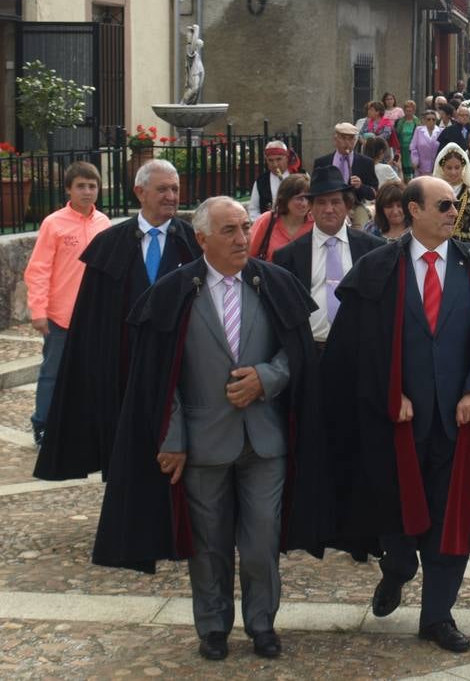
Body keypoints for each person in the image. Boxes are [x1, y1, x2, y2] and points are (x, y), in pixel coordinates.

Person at [91, 196, 330, 662]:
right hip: (202, 444)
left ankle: (262, 624)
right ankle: (214, 626)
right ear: (201, 238)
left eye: (244, 228)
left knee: (262, 541)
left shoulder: (274, 283)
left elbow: (298, 352)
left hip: (265, 441)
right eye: (229, 231)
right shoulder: (176, 291)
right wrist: (174, 437)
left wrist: (268, 378)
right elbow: (162, 376)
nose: (242, 239)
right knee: (209, 544)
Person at [321, 177, 470, 653]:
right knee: (399, 517)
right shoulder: (378, 268)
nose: (453, 211)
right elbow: (357, 350)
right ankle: (397, 569)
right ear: (412, 210)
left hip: (458, 424)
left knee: (451, 519)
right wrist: (389, 392)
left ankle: (437, 616)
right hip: (396, 423)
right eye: (443, 204)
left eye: (457, 203)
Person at [34, 161, 201, 481]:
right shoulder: (109, 244)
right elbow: (91, 319)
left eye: (175, 189)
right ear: (140, 192)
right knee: (124, 450)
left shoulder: (193, 242)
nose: (171, 196)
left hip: (180, 366)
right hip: (122, 366)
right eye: (162, 189)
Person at [23, 162, 111, 447]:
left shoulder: (104, 223)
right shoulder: (54, 223)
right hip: (60, 316)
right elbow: (38, 269)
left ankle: (83, 424)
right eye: (81, 186)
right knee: (53, 373)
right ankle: (43, 425)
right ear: (68, 190)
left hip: (94, 316)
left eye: (92, 186)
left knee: (90, 374)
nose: (87, 192)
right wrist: (39, 312)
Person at [272, 165, 384, 350]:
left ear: (347, 205)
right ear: (311, 208)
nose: (329, 209)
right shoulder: (288, 256)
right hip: (311, 350)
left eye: (335, 202)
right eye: (321, 202)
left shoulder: (372, 249)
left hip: (360, 348)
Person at [432, 143, 470, 246]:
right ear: (442, 168)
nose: (453, 172)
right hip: (438, 241)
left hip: (466, 244)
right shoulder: (434, 191)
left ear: (463, 167)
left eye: (457, 167)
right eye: (449, 168)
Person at [248, 174, 314, 262]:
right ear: (285, 198)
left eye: (308, 198)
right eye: (299, 198)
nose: (305, 203)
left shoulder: (315, 224)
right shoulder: (267, 220)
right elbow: (248, 256)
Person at [313, 123, 377, 206]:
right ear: (335, 139)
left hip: (355, 207)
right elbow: (314, 190)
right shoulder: (322, 162)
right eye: (343, 138)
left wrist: (360, 186)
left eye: (351, 139)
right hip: (329, 207)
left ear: (355, 140)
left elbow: (373, 193)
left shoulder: (366, 162)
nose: (347, 143)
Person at [247, 140, 291, 220]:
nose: (275, 164)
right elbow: (253, 210)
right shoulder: (261, 181)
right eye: (270, 160)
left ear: (287, 158)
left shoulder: (300, 175)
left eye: (279, 159)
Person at [410, 110, 442, 176]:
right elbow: (413, 147)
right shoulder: (418, 130)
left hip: (436, 167)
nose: (431, 121)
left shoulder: (441, 131)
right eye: (428, 119)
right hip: (421, 167)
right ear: (424, 120)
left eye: (433, 119)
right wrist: (415, 160)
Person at [395, 100, 419, 180]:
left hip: (413, 149)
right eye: (407, 110)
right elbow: (397, 134)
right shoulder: (400, 122)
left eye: (410, 111)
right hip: (402, 148)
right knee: (403, 167)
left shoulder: (417, 121)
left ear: (414, 111)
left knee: (412, 168)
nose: (408, 112)